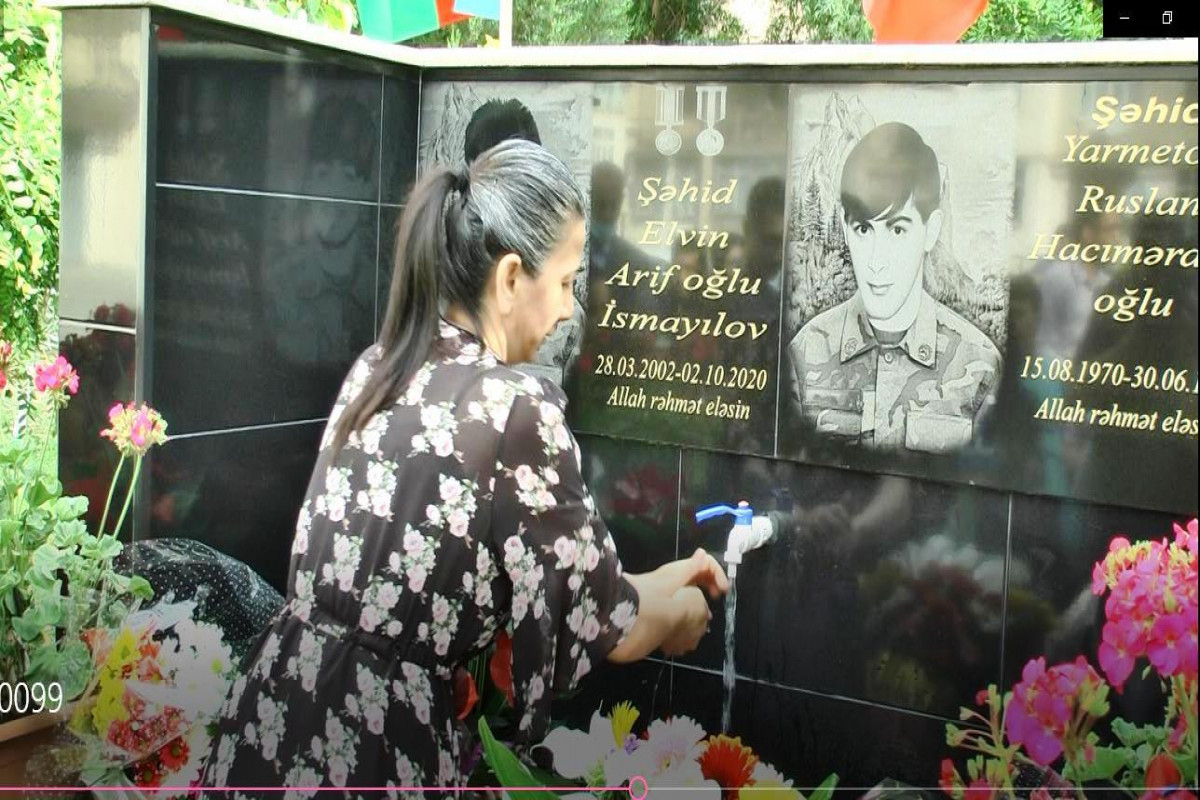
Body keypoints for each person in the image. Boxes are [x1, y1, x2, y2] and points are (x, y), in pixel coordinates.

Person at [198, 140, 728, 791]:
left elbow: (586, 589)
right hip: (368, 744)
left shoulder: (380, 365)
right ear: (510, 278)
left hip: (274, 713)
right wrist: (680, 615)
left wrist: (666, 578)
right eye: (564, 283)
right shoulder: (513, 409)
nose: (568, 309)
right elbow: (609, 629)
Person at [786, 122, 1000, 454]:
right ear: (845, 228)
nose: (876, 261)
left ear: (931, 231)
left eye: (898, 230)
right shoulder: (805, 352)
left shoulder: (980, 365)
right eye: (863, 229)